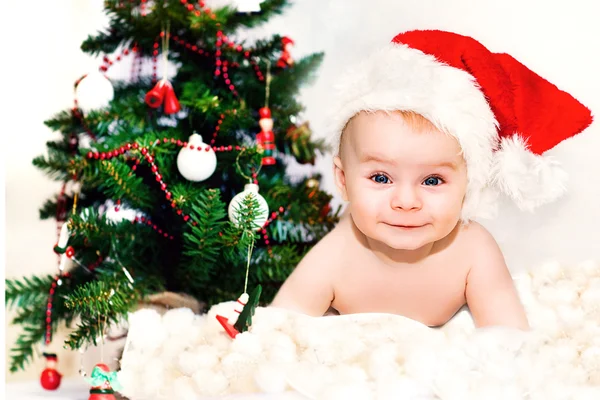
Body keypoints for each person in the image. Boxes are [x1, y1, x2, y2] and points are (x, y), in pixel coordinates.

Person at [271, 29, 593, 329]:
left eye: (433, 181)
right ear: (342, 180)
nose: (407, 202)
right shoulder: (338, 251)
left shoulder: (473, 249)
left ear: (470, 184)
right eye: (381, 177)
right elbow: (277, 331)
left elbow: (507, 336)